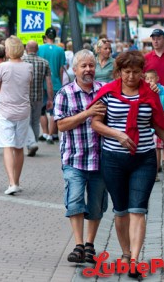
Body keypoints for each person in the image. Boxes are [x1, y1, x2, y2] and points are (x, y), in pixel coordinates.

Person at [90, 51, 164, 274]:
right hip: (113, 159)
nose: (131, 76)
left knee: (138, 209)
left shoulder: (150, 94)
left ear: (142, 72)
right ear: (118, 72)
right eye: (127, 72)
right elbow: (96, 123)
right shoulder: (107, 92)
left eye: (136, 72)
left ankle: (135, 261)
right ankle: (126, 253)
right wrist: (117, 134)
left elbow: (160, 126)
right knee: (121, 210)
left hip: (144, 158)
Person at [54, 50, 108, 265]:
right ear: (74, 69)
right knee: (75, 200)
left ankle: (89, 245)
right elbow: (61, 125)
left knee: (96, 205)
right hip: (74, 159)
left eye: (91, 66)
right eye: (83, 66)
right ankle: (78, 245)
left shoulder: (105, 91)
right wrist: (87, 113)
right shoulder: (64, 93)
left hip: (100, 159)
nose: (88, 70)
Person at [0, 36, 33, 195]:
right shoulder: (29, 67)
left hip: (5, 110)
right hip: (23, 110)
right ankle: (16, 181)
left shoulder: (3, 66)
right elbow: (28, 85)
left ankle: (11, 183)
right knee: (19, 147)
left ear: (8, 50)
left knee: (7, 146)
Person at [23, 40, 53, 157]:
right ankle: (33, 143)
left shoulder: (23, 61)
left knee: (26, 121)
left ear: (26, 49)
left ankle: (32, 143)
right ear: (37, 50)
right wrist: (50, 99)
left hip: (24, 96)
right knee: (35, 121)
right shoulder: (44, 62)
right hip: (39, 97)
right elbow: (49, 82)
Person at [38, 27, 66, 143]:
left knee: (42, 109)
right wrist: (59, 81)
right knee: (55, 111)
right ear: (55, 37)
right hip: (55, 84)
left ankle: (44, 133)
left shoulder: (40, 48)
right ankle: (52, 134)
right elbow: (61, 69)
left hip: (42, 83)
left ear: (45, 37)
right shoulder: (60, 50)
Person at [144, 69, 164, 179]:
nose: (149, 81)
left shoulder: (162, 92)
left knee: (156, 149)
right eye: (147, 78)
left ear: (157, 78)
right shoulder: (145, 90)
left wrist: (160, 124)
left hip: (157, 125)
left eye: (151, 78)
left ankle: (155, 173)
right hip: (147, 125)